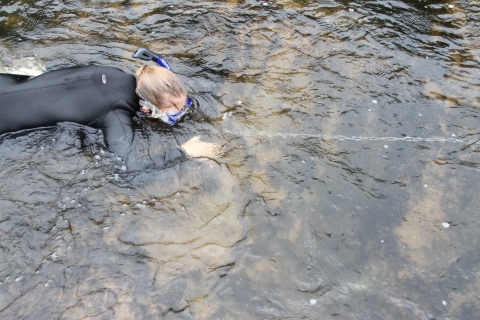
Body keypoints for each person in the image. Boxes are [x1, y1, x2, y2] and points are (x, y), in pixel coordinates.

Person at [0, 50, 219, 168]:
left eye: (184, 105)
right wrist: (184, 152)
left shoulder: (113, 73)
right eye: (173, 113)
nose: (181, 114)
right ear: (146, 108)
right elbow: (127, 166)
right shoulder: (116, 115)